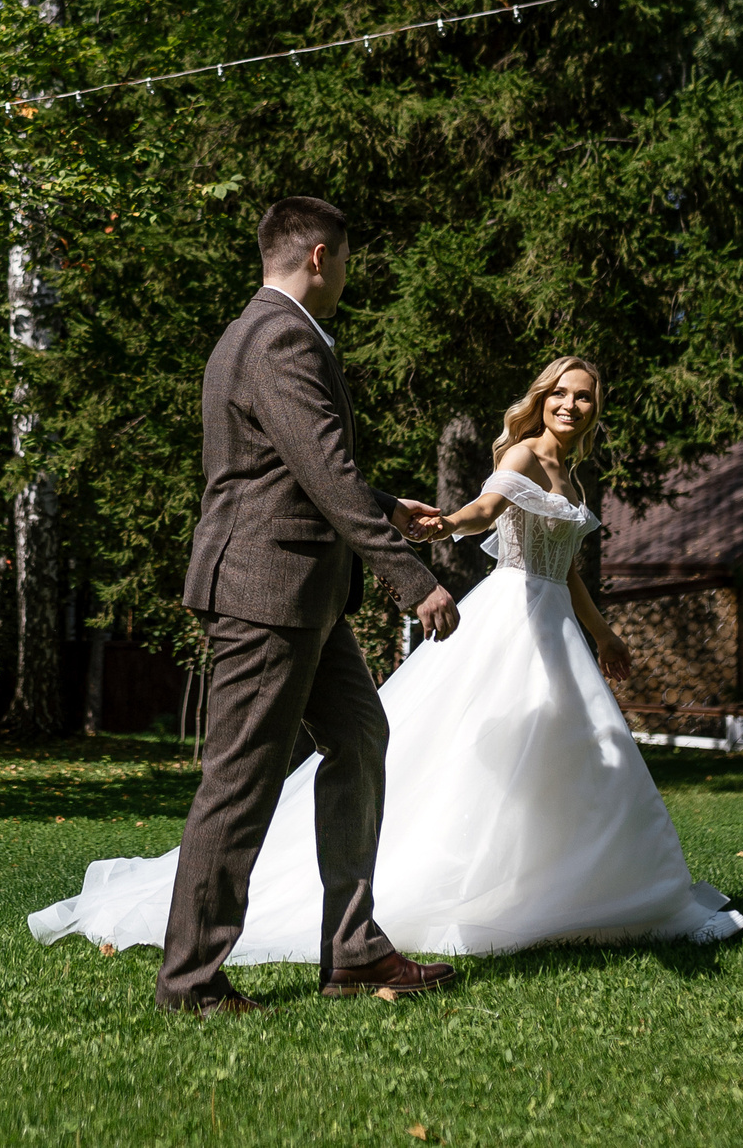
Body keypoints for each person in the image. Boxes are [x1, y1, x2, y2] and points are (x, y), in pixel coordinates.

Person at [30, 349, 743, 977]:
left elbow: (572, 572)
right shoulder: (524, 456)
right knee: (478, 753)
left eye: (582, 395)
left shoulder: (578, 479)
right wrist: (447, 522)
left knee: (578, 758)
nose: (569, 403)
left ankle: (575, 886)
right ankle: (467, 890)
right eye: (559, 391)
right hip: (512, 621)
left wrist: (606, 637)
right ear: (540, 399)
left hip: (558, 624)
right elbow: (486, 509)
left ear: (593, 408)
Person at [99, 196, 460, 1014]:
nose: (348, 279)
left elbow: (293, 465)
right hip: (268, 593)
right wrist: (415, 578)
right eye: (349, 263)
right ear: (322, 257)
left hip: (303, 592)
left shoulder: (255, 332)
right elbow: (323, 470)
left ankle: (354, 951)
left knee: (360, 736)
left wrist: (384, 502)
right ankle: (191, 982)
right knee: (240, 785)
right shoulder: (282, 335)